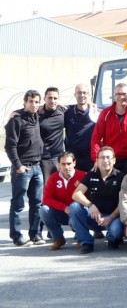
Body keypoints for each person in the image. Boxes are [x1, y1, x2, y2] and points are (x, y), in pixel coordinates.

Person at [5, 90, 45, 246]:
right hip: (23, 169)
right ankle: (17, 236)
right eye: (31, 102)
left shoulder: (36, 116)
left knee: (37, 203)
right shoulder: (17, 120)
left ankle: (35, 235)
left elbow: (53, 106)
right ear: (24, 102)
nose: (34, 105)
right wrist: (18, 166)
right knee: (18, 204)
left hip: (37, 167)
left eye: (36, 102)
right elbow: (10, 146)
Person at [70, 146, 124, 254]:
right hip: (94, 217)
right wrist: (90, 205)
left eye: (108, 157)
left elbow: (124, 202)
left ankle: (112, 239)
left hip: (112, 217)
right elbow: (76, 194)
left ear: (114, 160)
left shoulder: (121, 176)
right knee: (74, 207)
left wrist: (110, 217)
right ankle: (86, 242)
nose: (105, 161)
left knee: (116, 230)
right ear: (97, 161)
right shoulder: (91, 175)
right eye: (102, 158)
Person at [91, 83, 127, 173]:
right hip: (109, 160)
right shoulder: (105, 113)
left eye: (124, 94)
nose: (121, 97)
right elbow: (96, 138)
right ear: (114, 95)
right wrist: (96, 159)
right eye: (118, 94)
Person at [39, 152, 86, 250]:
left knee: (76, 214)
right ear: (59, 164)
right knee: (43, 210)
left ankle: (80, 238)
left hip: (77, 212)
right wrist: (64, 207)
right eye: (63, 164)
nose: (66, 167)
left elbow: (88, 198)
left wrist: (73, 208)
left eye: (69, 163)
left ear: (74, 163)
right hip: (61, 212)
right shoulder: (53, 178)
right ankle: (58, 238)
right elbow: (46, 199)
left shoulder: (83, 176)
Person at [65, 83, 99, 172]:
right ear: (75, 95)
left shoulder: (95, 112)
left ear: (89, 95)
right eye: (79, 93)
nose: (82, 95)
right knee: (74, 185)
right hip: (73, 158)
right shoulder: (68, 111)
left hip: (90, 157)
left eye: (84, 93)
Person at [39, 87, 65, 184]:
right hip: (43, 160)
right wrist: (14, 113)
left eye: (55, 98)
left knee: (60, 189)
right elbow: (24, 111)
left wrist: (89, 103)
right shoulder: (38, 113)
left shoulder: (63, 112)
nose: (52, 101)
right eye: (49, 98)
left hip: (59, 158)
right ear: (44, 99)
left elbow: (79, 106)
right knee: (45, 191)